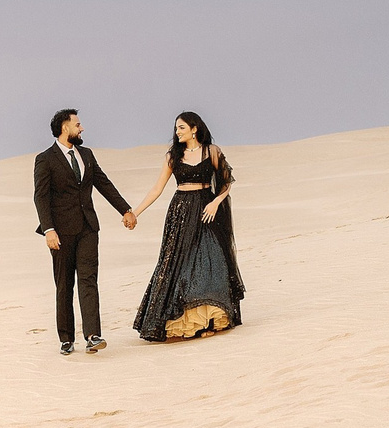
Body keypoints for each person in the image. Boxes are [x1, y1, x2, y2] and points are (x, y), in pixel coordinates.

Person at [126, 111, 245, 343]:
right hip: (180, 212)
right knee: (178, 265)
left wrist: (215, 202)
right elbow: (157, 189)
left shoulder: (212, 151)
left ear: (194, 129)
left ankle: (209, 319)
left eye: (181, 127)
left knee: (212, 261)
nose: (177, 132)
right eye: (176, 128)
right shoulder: (173, 156)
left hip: (207, 212)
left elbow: (226, 182)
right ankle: (185, 322)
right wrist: (135, 212)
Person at [31, 108, 135, 355]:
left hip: (88, 227)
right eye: (77, 124)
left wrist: (126, 210)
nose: (82, 128)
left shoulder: (86, 154)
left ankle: (93, 335)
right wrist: (48, 230)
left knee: (88, 280)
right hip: (60, 232)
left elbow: (103, 183)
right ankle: (66, 339)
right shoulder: (45, 159)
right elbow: (41, 197)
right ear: (64, 127)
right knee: (64, 285)